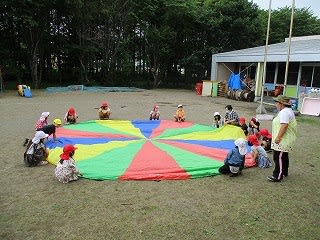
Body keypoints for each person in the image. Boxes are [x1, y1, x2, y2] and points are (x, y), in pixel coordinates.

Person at [267, 95, 297, 182]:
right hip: (286, 139)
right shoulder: (288, 111)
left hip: (283, 139)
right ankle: (284, 171)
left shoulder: (284, 113)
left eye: (277, 103)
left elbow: (284, 125)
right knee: (283, 156)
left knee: (278, 156)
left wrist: (278, 137)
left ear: (281, 104)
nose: (275, 104)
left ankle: (277, 175)